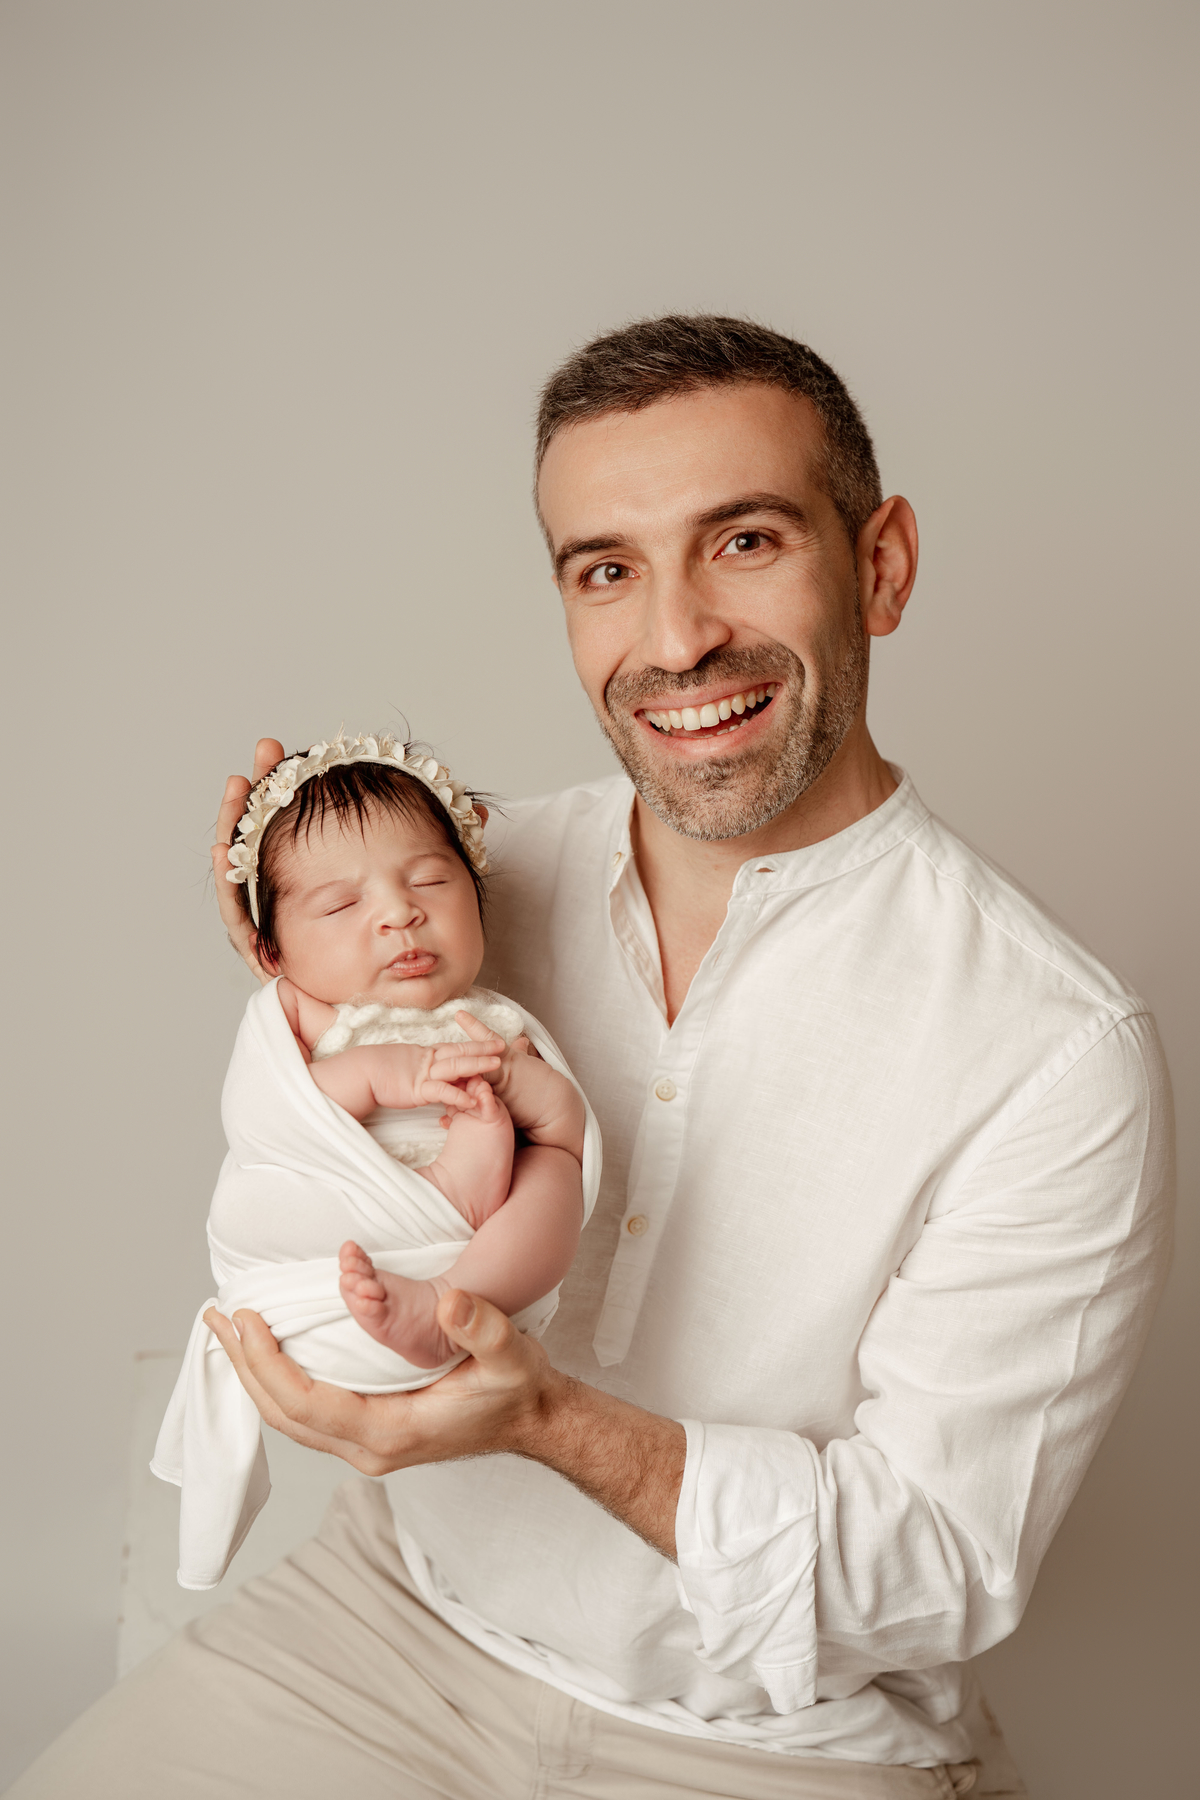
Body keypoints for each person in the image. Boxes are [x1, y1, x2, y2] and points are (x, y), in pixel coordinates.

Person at [12, 316, 1173, 1800]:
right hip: (391, 1628)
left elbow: (936, 1564)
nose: (675, 638)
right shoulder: (467, 881)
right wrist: (286, 915)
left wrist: (554, 1423)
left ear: (879, 564)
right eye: (606, 569)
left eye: (743, 541)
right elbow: (315, 1117)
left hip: (773, 1739)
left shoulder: (1055, 1050)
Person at [151, 733, 595, 1593]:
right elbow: (287, 1108)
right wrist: (397, 1074)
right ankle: (437, 1250)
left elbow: (564, 1120)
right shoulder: (310, 1018)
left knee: (558, 1173)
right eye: (338, 906)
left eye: (430, 881)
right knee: (512, 1146)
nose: (398, 914)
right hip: (359, 1222)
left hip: (474, 1226)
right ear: (271, 953)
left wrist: (527, 1093)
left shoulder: (494, 1021)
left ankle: (455, 1300)